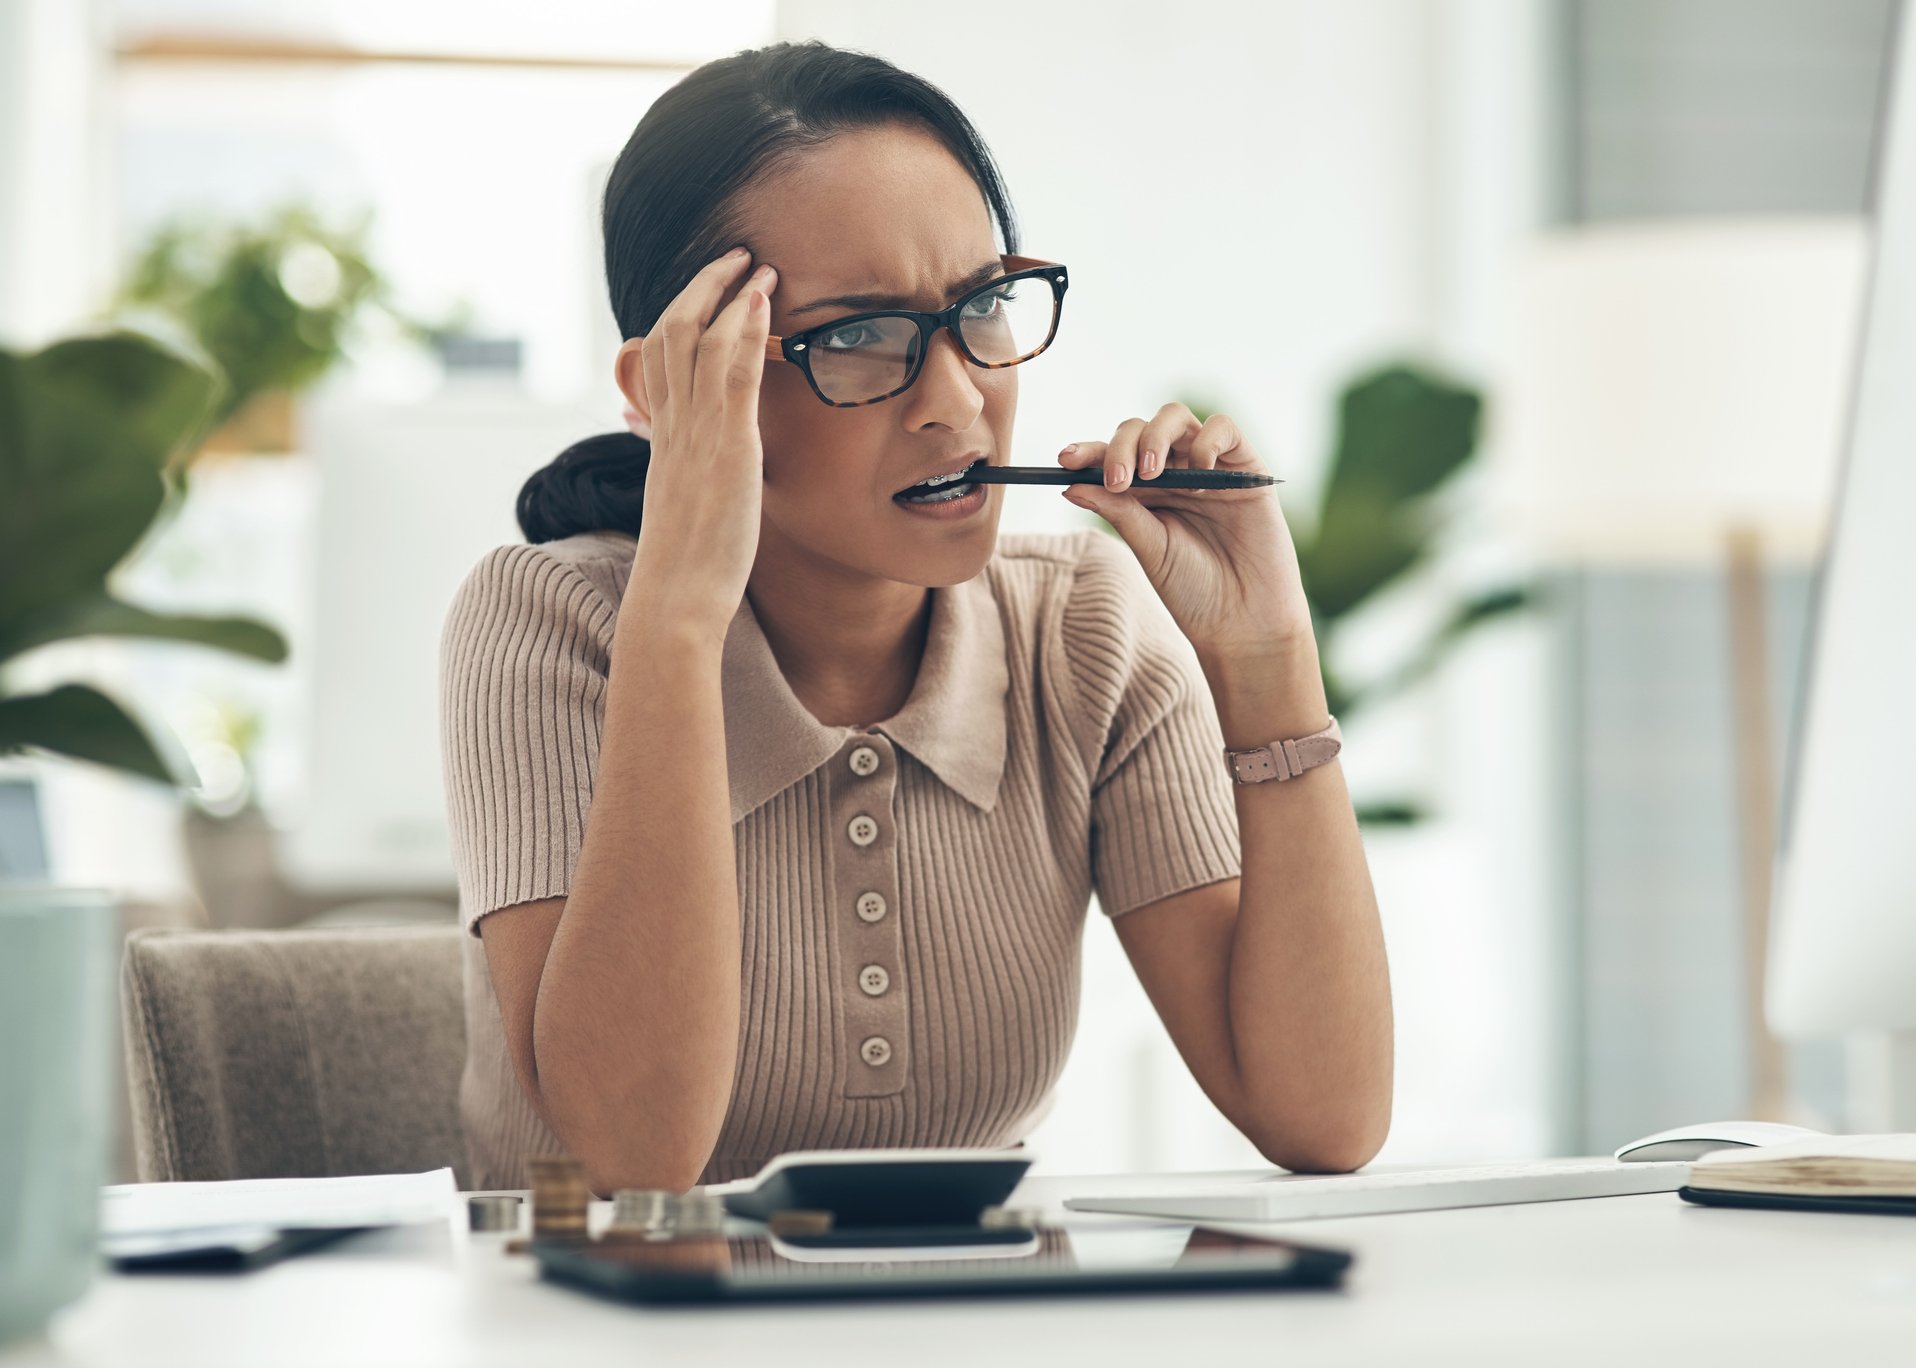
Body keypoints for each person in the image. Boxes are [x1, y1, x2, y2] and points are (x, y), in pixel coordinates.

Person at [439, 39, 1392, 1195]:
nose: (958, 405)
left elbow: (1322, 1119)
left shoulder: (1078, 628)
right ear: (667, 388)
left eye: (981, 307)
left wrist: (1268, 660)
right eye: (856, 335)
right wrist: (679, 617)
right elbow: (633, 1162)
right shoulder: (547, 623)